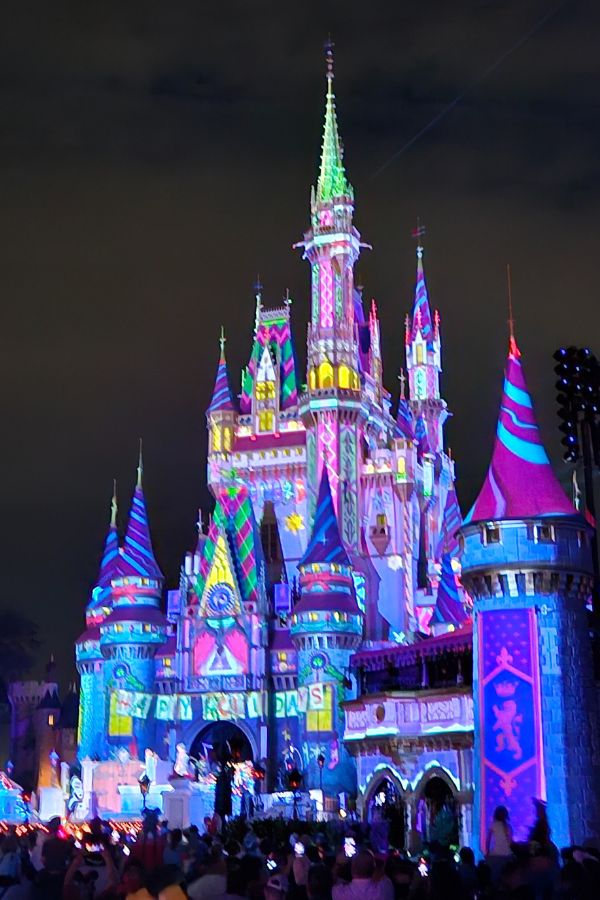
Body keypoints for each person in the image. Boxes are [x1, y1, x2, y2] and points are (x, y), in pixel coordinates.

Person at [485, 805, 513, 881]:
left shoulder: (493, 825)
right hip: (507, 855)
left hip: (495, 855)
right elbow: (511, 843)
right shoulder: (509, 827)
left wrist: (487, 852)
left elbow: (488, 840)